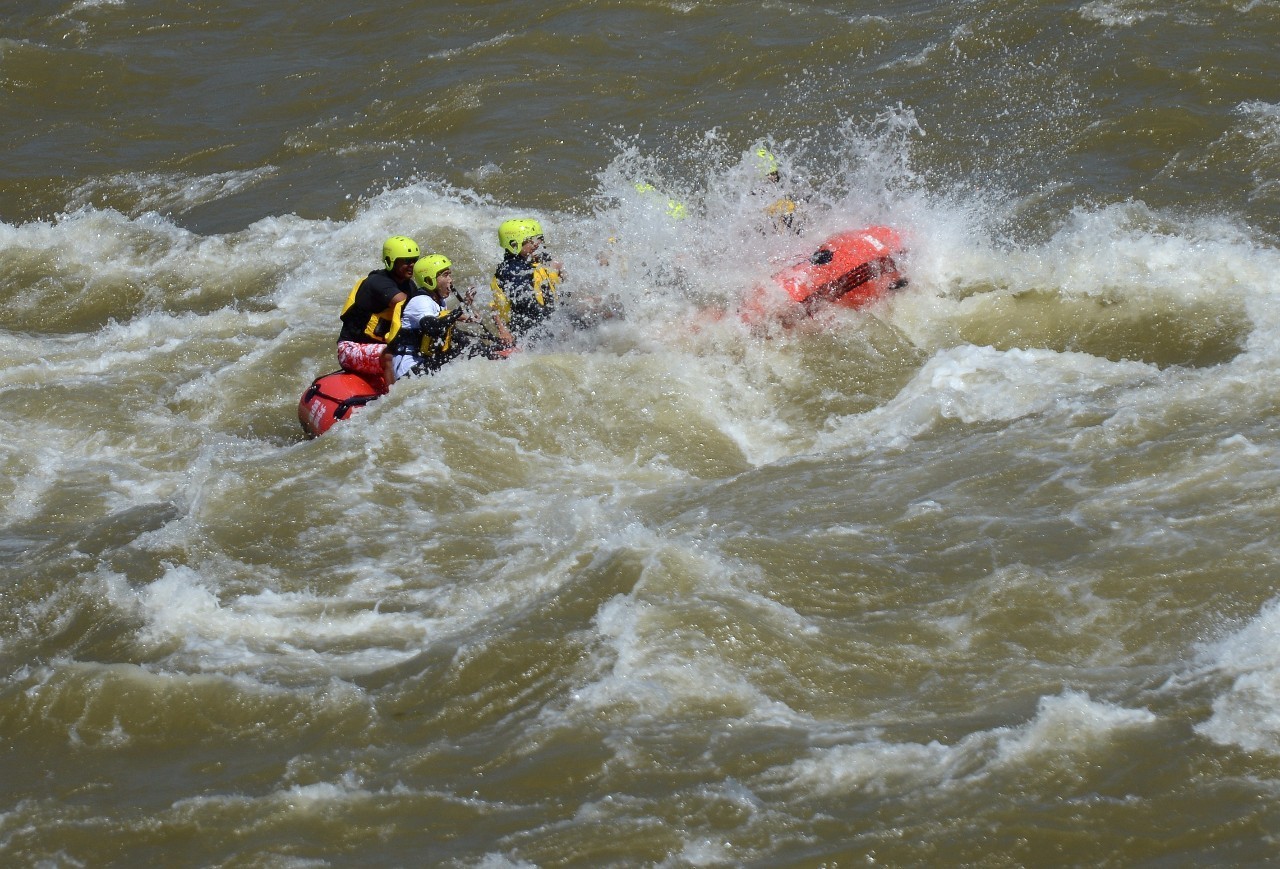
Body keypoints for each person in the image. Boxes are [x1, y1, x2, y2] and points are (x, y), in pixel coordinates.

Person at [384, 254, 502, 380]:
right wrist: (461, 308)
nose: (450, 280)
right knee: (469, 351)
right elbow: (432, 327)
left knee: (472, 347)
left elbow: (453, 334)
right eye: (445, 275)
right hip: (409, 370)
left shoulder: (439, 302)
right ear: (429, 280)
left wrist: (493, 342)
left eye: (450, 275)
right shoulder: (420, 301)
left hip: (425, 362)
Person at [337, 235, 419, 393]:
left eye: (414, 260)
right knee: (390, 355)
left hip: (380, 345)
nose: (412, 265)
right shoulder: (377, 282)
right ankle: (393, 401)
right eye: (406, 260)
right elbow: (405, 304)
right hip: (351, 348)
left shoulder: (410, 286)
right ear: (391, 261)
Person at [491, 218, 562, 344]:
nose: (536, 244)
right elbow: (497, 307)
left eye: (538, 238)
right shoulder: (512, 272)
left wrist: (558, 272)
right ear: (513, 244)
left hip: (550, 319)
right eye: (529, 241)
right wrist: (503, 331)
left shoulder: (535, 258)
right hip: (529, 330)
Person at [754, 147, 803, 235]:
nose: (773, 177)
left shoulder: (782, 189)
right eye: (769, 174)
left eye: (774, 173)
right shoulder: (752, 195)